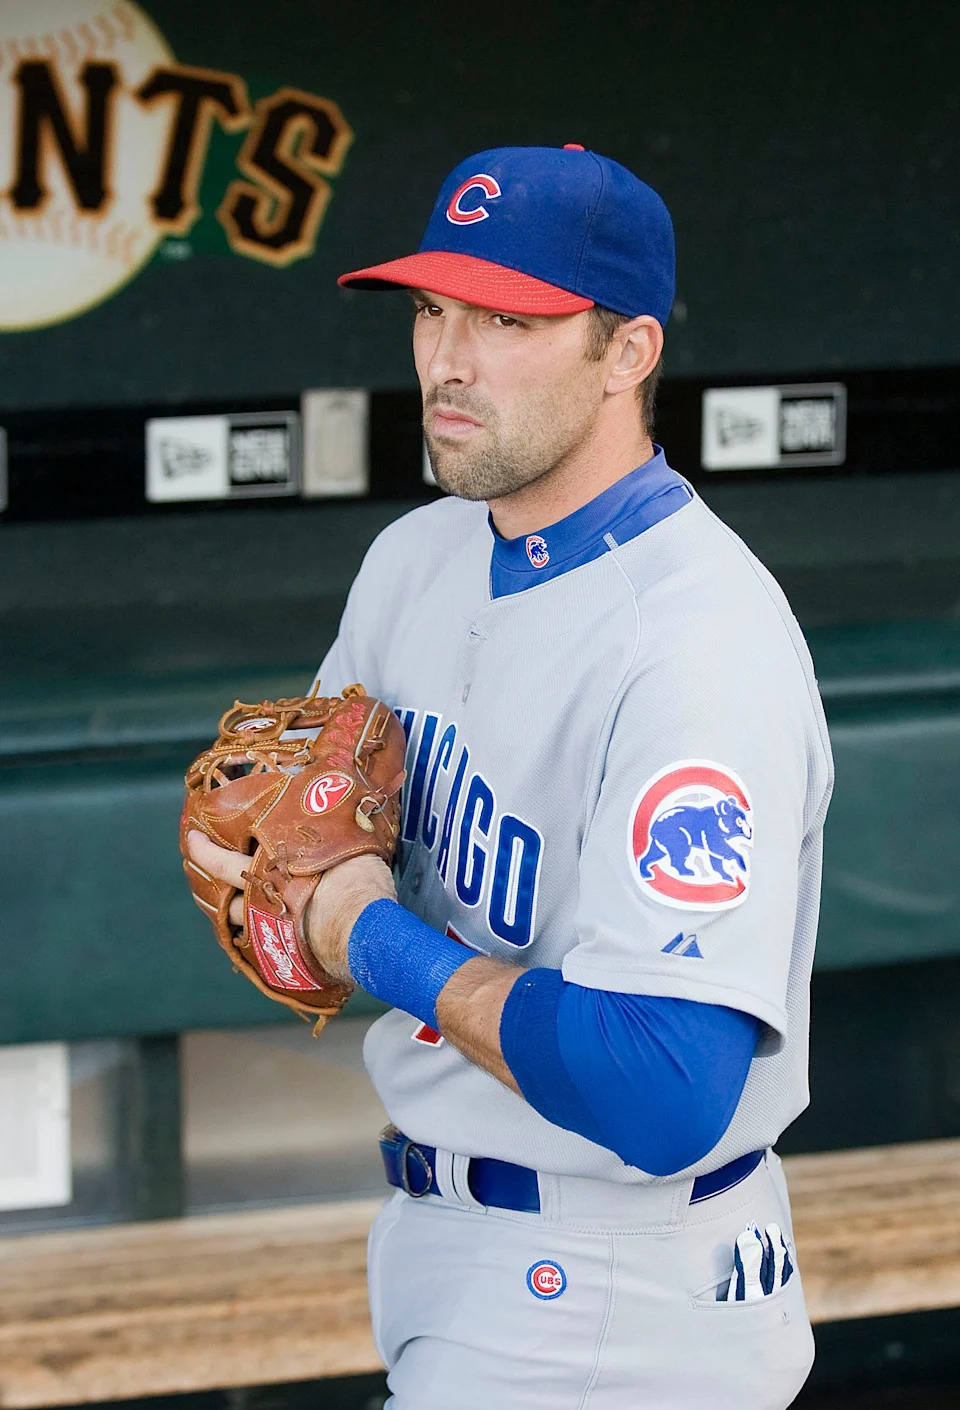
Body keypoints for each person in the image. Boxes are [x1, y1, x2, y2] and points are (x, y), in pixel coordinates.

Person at [189, 143, 833, 1409]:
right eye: (433, 311)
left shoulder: (699, 646)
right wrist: (289, 892)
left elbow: (661, 1089)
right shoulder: (414, 561)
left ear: (628, 351)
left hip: (614, 1292)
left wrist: (367, 936)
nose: (446, 359)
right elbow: (301, 854)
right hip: (454, 1246)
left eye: (505, 320)